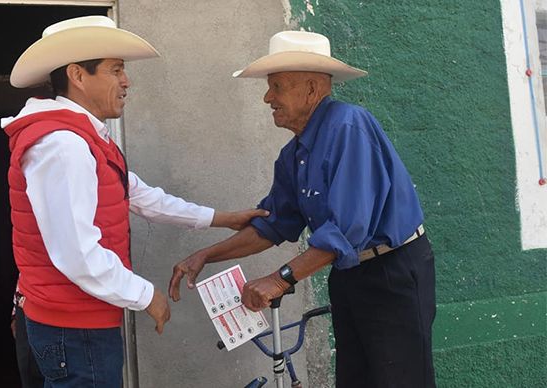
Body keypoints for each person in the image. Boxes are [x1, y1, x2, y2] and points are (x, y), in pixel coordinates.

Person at [2, 15, 267, 387]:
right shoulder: (64, 145)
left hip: (69, 321)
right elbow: (76, 253)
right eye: (115, 70)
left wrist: (222, 218)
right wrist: (145, 296)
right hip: (74, 329)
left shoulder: (84, 138)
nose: (126, 81)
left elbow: (140, 195)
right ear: (78, 75)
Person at [169, 31, 436, 388]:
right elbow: (273, 225)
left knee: (399, 380)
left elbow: (345, 230)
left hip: (392, 272)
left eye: (277, 86)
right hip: (350, 274)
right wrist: (205, 256)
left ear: (311, 89)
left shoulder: (348, 125)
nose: (267, 98)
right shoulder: (294, 155)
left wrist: (279, 279)